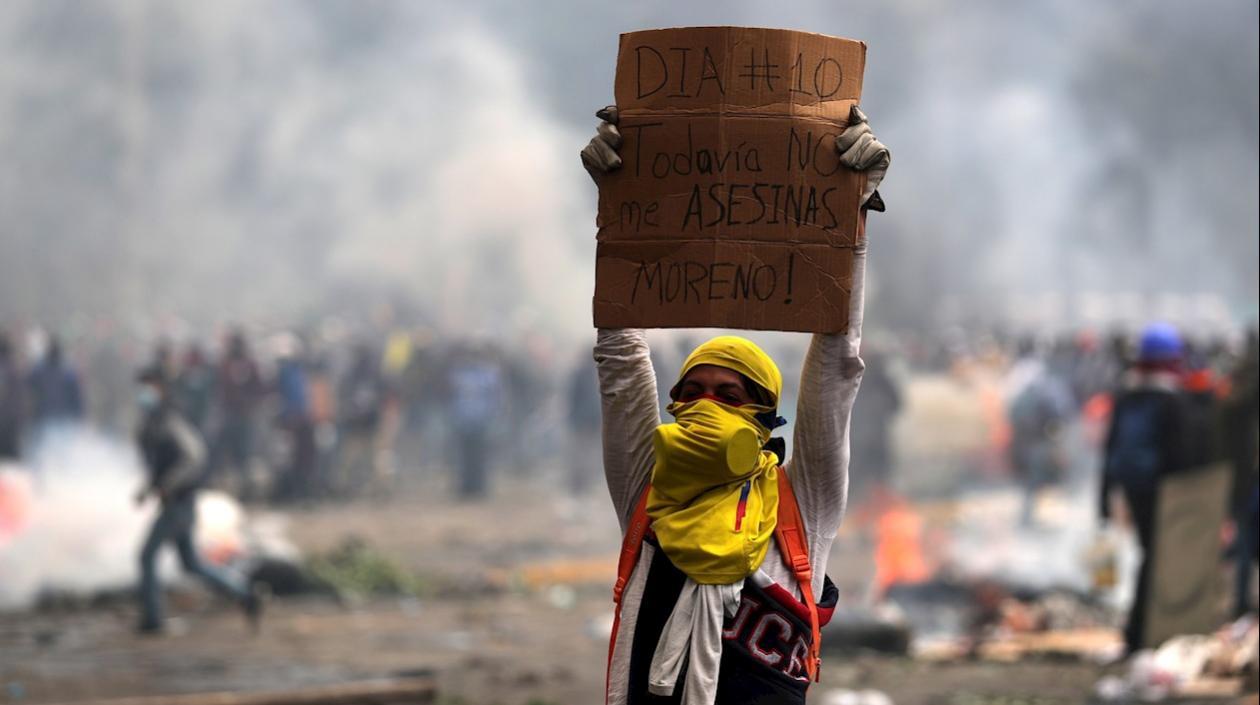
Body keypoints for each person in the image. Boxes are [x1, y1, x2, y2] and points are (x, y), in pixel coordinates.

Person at [584, 104, 889, 703]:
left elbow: (837, 365)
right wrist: (617, 211)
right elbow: (620, 358)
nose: (707, 407)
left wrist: (851, 216)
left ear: (766, 420)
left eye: (729, 396)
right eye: (691, 394)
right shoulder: (648, 492)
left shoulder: (802, 507)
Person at [133, 366, 260, 634]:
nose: (144, 393)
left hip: (179, 504)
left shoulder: (171, 422)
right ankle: (245, 593)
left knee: (147, 556)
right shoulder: (153, 424)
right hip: (176, 504)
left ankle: (153, 620)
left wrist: (167, 485)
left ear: (162, 389)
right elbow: (158, 467)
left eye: (149, 386)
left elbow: (194, 458)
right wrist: (147, 490)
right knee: (191, 563)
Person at [1098, 322, 1191, 655]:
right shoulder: (1172, 400)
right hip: (1161, 492)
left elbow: (1110, 449)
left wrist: (1103, 499)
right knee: (1157, 559)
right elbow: (1178, 454)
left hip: (1131, 488)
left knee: (1148, 556)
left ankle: (1140, 630)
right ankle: (1143, 632)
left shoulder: (1126, 395)